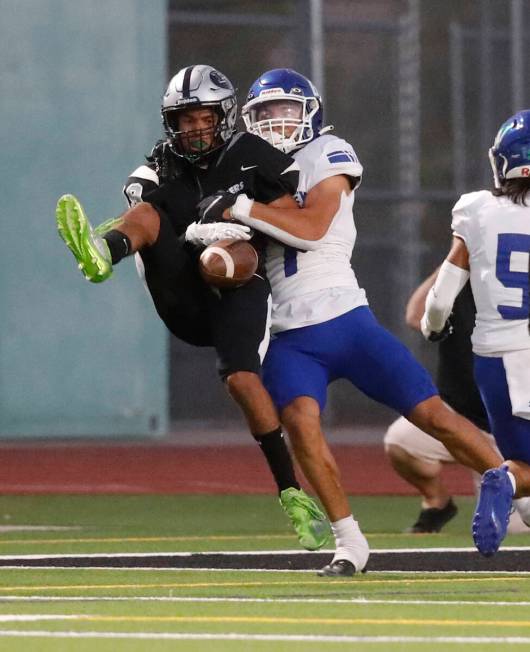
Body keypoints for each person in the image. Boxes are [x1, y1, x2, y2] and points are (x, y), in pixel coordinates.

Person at [197, 68, 530, 576]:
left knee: (433, 416)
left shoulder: (329, 152)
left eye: (286, 110)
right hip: (289, 330)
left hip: (346, 318)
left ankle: (516, 494)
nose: (276, 122)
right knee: (302, 429)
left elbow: (311, 228)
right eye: (264, 113)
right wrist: (210, 237)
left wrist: (239, 206)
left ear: (310, 112)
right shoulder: (244, 166)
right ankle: (349, 542)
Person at [55, 64, 331, 551]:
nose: (195, 128)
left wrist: (240, 215)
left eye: (203, 117)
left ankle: (291, 492)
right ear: (171, 124)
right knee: (145, 214)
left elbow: (292, 216)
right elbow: (140, 194)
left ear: (223, 115)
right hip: (181, 292)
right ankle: (103, 252)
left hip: (236, 283)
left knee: (243, 377)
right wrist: (187, 227)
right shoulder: (163, 162)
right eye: (184, 120)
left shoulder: (251, 155)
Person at [421, 109, 530, 556]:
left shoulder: (477, 210)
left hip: (492, 360)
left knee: (522, 467)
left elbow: (442, 297)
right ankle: (504, 481)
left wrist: (432, 327)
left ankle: (503, 479)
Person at [385, 271, 530, 534]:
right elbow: (416, 315)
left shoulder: (518, 288)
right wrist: (457, 259)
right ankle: (437, 502)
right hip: (462, 421)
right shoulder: (458, 285)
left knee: (518, 528)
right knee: (400, 442)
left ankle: (506, 479)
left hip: (516, 432)